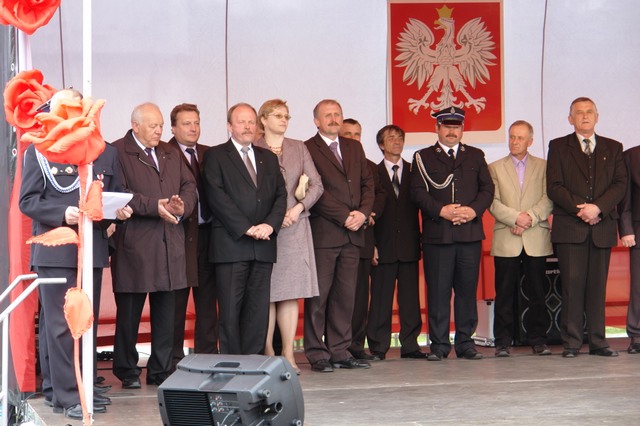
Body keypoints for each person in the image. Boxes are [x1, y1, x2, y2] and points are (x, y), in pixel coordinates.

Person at [19, 89, 128, 419]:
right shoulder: (39, 151)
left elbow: (111, 194)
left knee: (85, 324)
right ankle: (68, 395)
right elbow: (28, 201)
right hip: (56, 250)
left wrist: (117, 211)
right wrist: (61, 213)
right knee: (60, 326)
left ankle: (76, 388)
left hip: (90, 247)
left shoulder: (99, 150)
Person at [111, 102, 197, 388]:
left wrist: (182, 206)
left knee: (166, 312)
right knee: (129, 313)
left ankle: (161, 370)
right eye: (153, 126)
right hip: (135, 243)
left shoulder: (170, 152)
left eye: (160, 125)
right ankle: (127, 370)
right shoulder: (117, 151)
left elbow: (189, 186)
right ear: (135, 126)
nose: (159, 131)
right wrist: (154, 206)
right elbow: (118, 192)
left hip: (169, 241)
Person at [202, 103, 287, 355]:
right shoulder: (216, 156)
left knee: (258, 310)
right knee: (230, 310)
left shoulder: (268, 158)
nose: (248, 126)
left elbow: (280, 196)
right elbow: (216, 197)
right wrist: (246, 227)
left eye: (251, 121)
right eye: (242, 122)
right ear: (229, 126)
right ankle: (232, 363)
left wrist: (269, 225)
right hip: (232, 244)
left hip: (263, 245)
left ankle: (253, 362)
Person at [410, 106, 494, 361]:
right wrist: (441, 211)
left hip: (469, 234)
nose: (451, 132)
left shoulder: (476, 155)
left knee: (467, 292)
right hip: (439, 236)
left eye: (456, 127)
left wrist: (472, 210)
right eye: (446, 127)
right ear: (437, 128)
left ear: (462, 129)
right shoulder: (423, 157)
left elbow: (487, 190)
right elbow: (417, 192)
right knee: (438, 293)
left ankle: (466, 343)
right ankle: (439, 345)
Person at [547, 97, 627, 358]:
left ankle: (598, 342)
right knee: (572, 287)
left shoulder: (614, 147)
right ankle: (571, 343)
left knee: (597, 287)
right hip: (571, 228)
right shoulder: (558, 146)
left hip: (602, 227)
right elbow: (554, 186)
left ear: (597, 116)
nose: (584, 116)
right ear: (570, 119)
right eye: (579, 112)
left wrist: (598, 208)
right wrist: (582, 210)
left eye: (589, 111)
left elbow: (619, 184)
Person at [304, 99, 375, 372]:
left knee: (345, 297)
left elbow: (367, 184)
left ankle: (339, 351)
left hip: (354, 234)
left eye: (337, 114)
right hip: (325, 233)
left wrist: (363, 213)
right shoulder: (307, 148)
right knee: (319, 297)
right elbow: (315, 190)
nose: (334, 119)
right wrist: (345, 216)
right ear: (316, 121)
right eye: (328, 115)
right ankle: (317, 353)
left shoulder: (354, 147)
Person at [254, 99, 323, 374]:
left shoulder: (299, 147)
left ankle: (288, 353)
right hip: (265, 228)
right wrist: (273, 216)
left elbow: (316, 184)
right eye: (278, 115)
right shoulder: (253, 146)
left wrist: (298, 208)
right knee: (267, 293)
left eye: (286, 116)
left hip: (295, 226)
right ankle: (269, 352)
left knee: (291, 292)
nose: (284, 120)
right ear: (263, 119)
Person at [488, 120, 553, 357]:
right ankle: (502, 342)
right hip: (507, 236)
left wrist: (529, 219)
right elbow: (492, 202)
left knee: (538, 293)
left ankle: (539, 340)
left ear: (530, 141)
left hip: (536, 236)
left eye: (520, 138)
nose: (515, 142)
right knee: (504, 293)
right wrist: (516, 218)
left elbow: (549, 198)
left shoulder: (544, 166)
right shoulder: (494, 167)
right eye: (512, 137)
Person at [167, 103, 218, 368]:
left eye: (196, 122)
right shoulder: (164, 153)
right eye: (186, 123)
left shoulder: (210, 154)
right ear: (173, 128)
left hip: (209, 236)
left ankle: (207, 357)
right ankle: (174, 358)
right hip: (179, 235)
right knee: (175, 301)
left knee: (208, 300)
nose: (193, 128)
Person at [367, 124, 424, 360]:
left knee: (410, 300)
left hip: (409, 245)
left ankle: (410, 345)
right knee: (381, 299)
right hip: (383, 245)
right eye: (391, 138)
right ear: (381, 144)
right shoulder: (372, 172)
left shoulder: (415, 171)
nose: (397, 141)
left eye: (400, 137)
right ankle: (378, 347)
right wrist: (371, 244)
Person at [339, 118, 386, 362]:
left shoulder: (369, 166)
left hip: (364, 239)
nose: (353, 138)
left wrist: (370, 214)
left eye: (357, 134)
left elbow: (379, 195)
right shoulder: (330, 162)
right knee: (338, 297)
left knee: (359, 298)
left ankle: (356, 345)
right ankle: (337, 345)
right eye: (347, 134)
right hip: (336, 237)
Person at [619, 145, 640, 354]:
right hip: (639, 230)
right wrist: (626, 229)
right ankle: (637, 334)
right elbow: (625, 199)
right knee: (638, 286)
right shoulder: (631, 156)